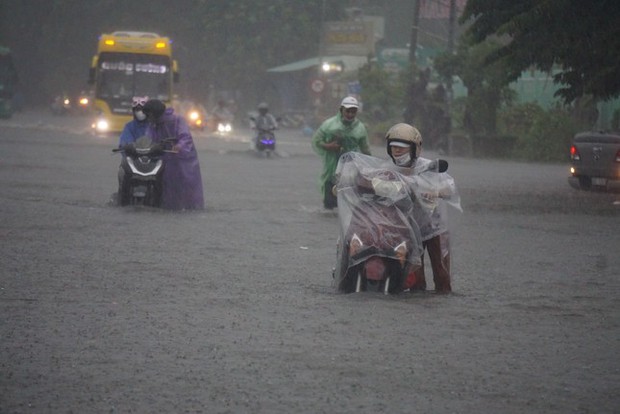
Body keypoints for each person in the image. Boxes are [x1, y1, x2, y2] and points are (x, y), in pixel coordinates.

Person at [385, 123, 460, 293]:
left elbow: (450, 188)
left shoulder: (430, 167)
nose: (397, 151)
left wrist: (436, 192)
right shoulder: (389, 169)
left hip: (436, 229)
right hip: (410, 230)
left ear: (414, 148)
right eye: (393, 147)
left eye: (401, 148)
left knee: (442, 276)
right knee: (415, 280)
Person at [141, 99, 205, 210]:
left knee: (184, 186)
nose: (148, 118)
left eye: (149, 115)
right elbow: (148, 138)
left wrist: (179, 146)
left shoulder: (177, 120)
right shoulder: (153, 124)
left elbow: (185, 137)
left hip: (182, 161)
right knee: (165, 186)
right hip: (163, 159)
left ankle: (190, 208)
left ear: (155, 114)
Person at [311, 96, 371, 211]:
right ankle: (328, 207)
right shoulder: (329, 125)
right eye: (347, 111)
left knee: (349, 191)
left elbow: (365, 149)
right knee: (329, 196)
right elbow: (316, 141)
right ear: (341, 110)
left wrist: (369, 166)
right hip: (332, 164)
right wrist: (328, 146)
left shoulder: (360, 128)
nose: (350, 114)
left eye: (353, 111)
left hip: (351, 164)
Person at [117, 96, 150, 205]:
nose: (140, 112)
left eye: (142, 110)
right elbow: (124, 141)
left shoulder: (154, 126)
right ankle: (123, 201)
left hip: (151, 160)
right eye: (137, 110)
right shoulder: (129, 127)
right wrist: (126, 147)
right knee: (122, 173)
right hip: (133, 160)